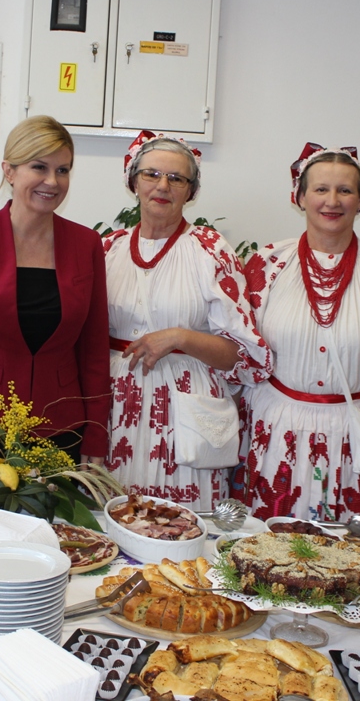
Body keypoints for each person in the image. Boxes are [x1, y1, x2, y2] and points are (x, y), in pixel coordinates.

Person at [237, 144, 360, 522]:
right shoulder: (268, 263)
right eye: (321, 189)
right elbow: (242, 358)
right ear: (300, 196)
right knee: (269, 547)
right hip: (277, 434)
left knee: (349, 554)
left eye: (345, 190)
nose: (332, 201)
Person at [103, 131, 271, 510]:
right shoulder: (107, 249)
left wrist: (180, 337)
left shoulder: (211, 251)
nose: (163, 186)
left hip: (187, 414)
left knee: (185, 524)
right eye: (151, 174)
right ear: (133, 181)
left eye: (176, 178)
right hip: (117, 409)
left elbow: (243, 356)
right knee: (116, 515)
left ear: (191, 191)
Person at [0, 115, 109, 462]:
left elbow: (93, 351)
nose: (52, 181)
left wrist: (95, 438)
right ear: (9, 171)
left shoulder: (86, 243)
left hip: (62, 429)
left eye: (63, 170)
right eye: (39, 167)